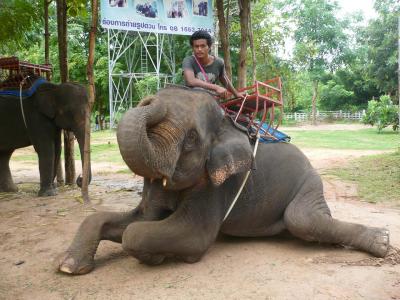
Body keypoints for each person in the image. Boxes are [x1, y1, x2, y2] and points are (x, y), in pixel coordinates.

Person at [182, 30, 244, 100]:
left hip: (211, 101)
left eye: (203, 46)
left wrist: (236, 94)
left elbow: (224, 78)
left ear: (209, 46)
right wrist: (217, 87)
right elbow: (191, 81)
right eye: (196, 46)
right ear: (193, 48)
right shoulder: (188, 60)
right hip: (191, 100)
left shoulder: (219, 62)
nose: (199, 49)